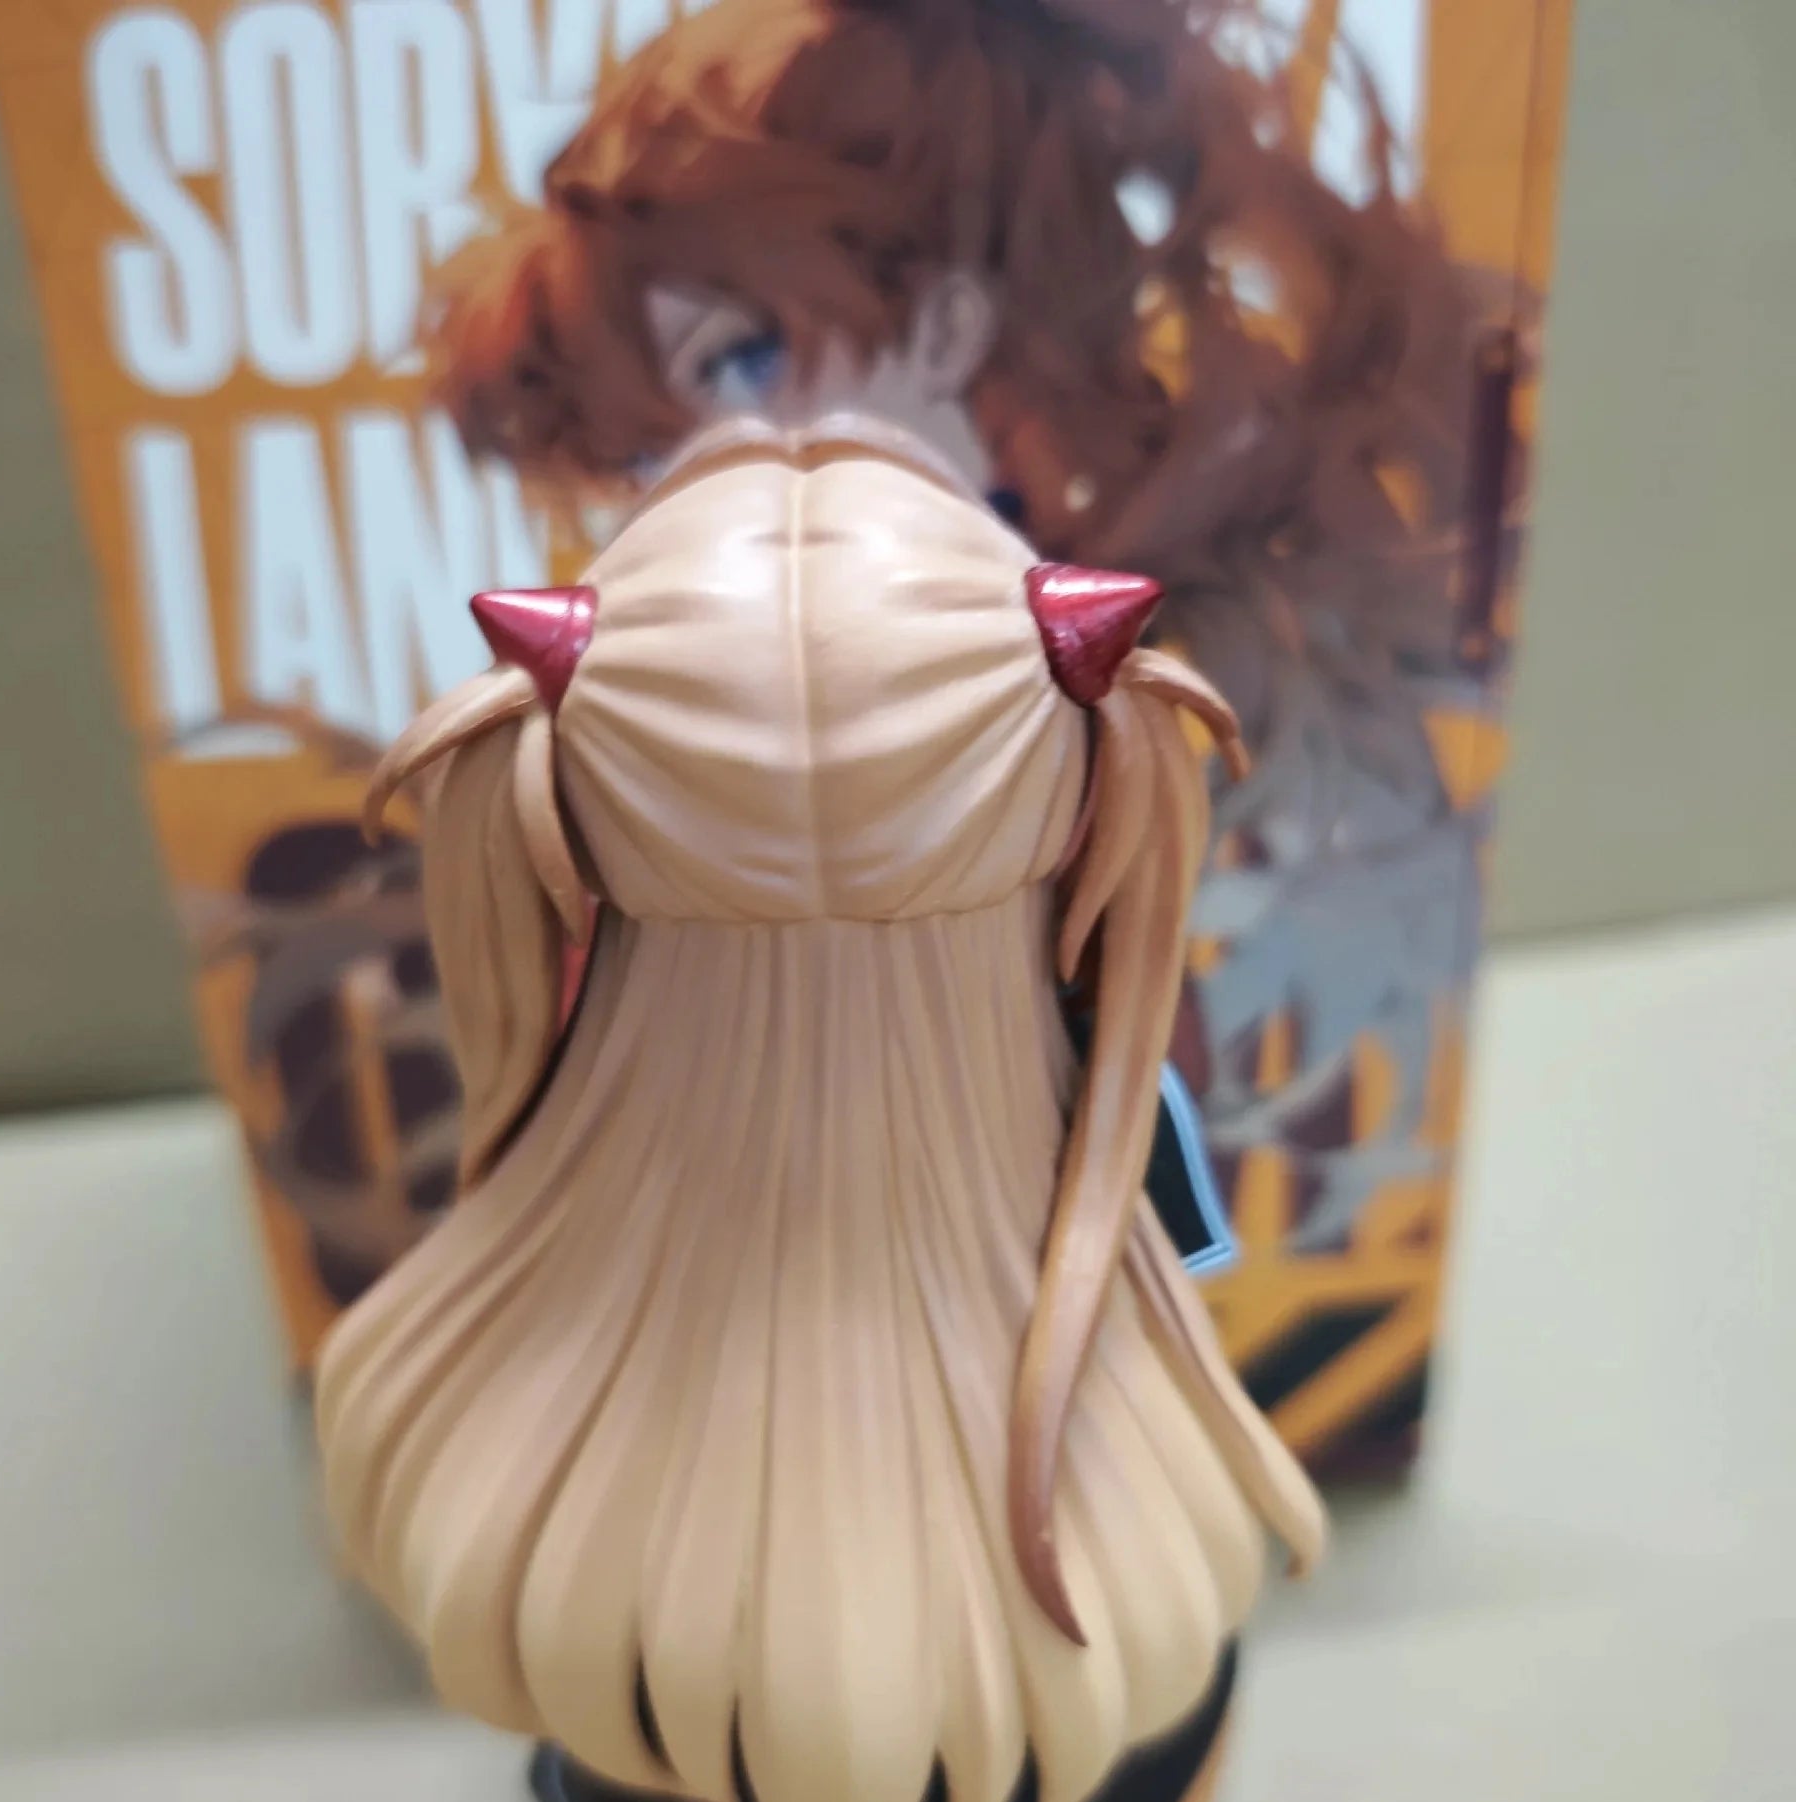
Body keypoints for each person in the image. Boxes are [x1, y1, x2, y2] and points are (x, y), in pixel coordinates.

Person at [315, 421, 1323, 1802]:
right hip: (1115, 1728)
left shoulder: (486, 1434)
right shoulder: (1129, 1172)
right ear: (1080, 803)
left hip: (697, 1795)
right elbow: (1190, 1260)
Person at [427, 0, 1516, 1246]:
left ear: (947, 328)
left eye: (743, 364)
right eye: (649, 443)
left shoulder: (1086, 647)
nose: (697, 464)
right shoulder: (720, 663)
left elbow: (1139, 1039)